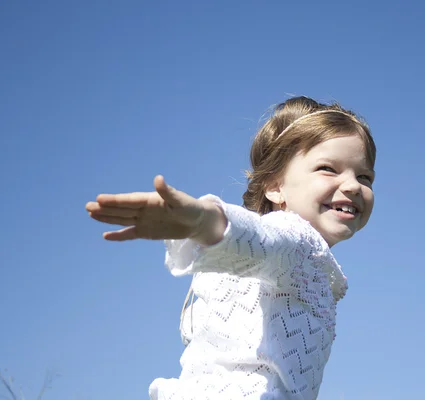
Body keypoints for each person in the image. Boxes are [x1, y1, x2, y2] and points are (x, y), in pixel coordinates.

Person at [85, 96, 377, 400]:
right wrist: (204, 221)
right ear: (276, 186)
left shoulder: (255, 268)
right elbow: (263, 238)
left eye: (364, 176)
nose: (354, 186)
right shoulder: (299, 242)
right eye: (328, 168)